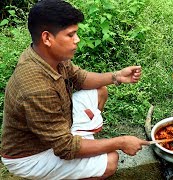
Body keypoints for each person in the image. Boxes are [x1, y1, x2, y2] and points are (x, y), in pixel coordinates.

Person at [0, 0, 149, 179]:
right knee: (111, 160)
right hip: (30, 155)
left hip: (57, 128)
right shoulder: (36, 88)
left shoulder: (45, 55)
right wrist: (121, 142)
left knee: (99, 90)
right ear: (47, 38)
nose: (77, 40)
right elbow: (65, 147)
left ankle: (84, 148)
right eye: (71, 35)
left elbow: (81, 78)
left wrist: (116, 76)